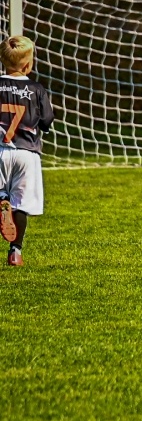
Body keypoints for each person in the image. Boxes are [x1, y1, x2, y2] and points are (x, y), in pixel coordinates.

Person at [0, 36, 56, 267]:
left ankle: (2, 199)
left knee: (1, 194)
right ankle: (16, 252)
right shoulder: (36, 89)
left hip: (0, 149)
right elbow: (46, 121)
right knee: (22, 203)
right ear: (27, 65)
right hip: (27, 153)